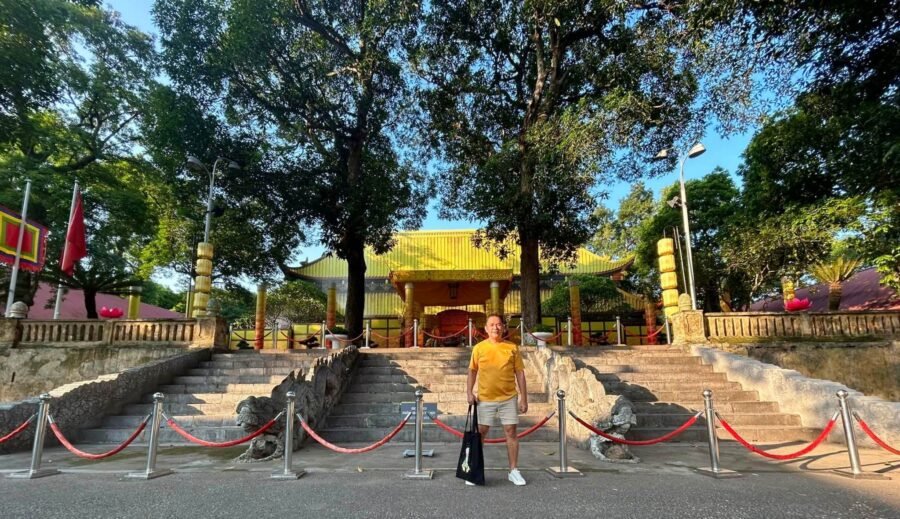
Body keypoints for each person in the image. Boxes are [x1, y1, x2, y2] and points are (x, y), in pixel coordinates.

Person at [466, 314, 528, 486]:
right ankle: (474, 470)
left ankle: (513, 470)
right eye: (492, 324)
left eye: (499, 324)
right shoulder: (479, 348)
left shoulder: (512, 347)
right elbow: (472, 371)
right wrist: (469, 392)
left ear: (504, 327)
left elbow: (520, 374)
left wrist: (524, 398)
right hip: (485, 398)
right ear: (485, 328)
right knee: (481, 433)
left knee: (511, 432)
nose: (495, 327)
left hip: (508, 397)